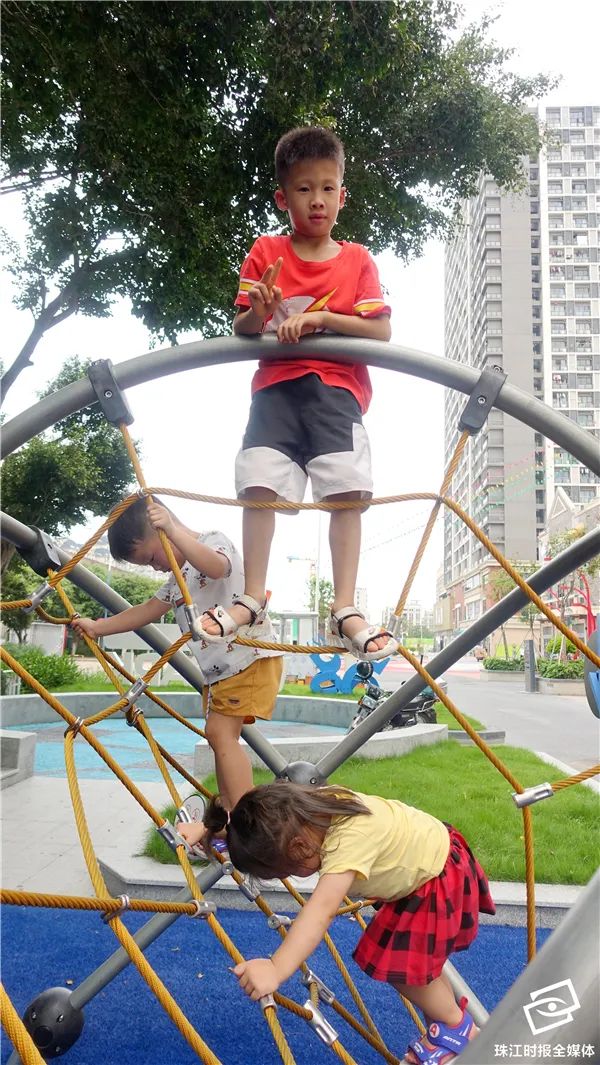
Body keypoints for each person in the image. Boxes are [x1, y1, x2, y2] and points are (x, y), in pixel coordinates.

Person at [196, 125, 398, 663]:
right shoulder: (267, 251)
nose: (318, 200)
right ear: (283, 198)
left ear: (342, 195)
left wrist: (321, 319)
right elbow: (244, 327)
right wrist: (262, 311)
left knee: (346, 494)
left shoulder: (356, 259)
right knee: (258, 483)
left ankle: (345, 607)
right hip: (276, 391)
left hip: (336, 392)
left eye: (328, 188)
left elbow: (380, 331)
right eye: (305, 189)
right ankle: (253, 595)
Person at [182, 782, 494, 1064]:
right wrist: (211, 832)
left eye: (285, 871)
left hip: (435, 878)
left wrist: (276, 968)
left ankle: (457, 1029)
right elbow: (257, 816)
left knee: (403, 969)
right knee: (420, 965)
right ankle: (448, 1033)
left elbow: (320, 911)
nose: (288, 877)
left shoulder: (349, 842)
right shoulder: (309, 810)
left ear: (300, 849)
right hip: (427, 864)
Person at [70, 497, 282, 838]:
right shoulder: (177, 578)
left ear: (164, 527)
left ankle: (246, 825)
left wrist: (171, 529)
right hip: (222, 672)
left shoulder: (212, 541)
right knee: (218, 738)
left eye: (153, 558)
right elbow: (146, 611)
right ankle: (228, 816)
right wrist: (98, 626)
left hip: (248, 658)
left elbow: (217, 568)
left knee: (219, 735)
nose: (156, 568)